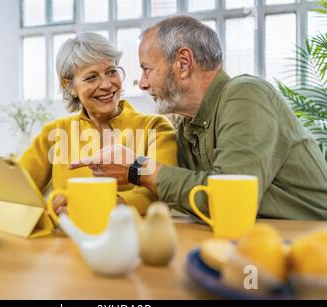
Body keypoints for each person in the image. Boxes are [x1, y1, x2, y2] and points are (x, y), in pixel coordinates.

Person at [71, 16, 327, 220]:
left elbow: (229, 202)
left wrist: (139, 168)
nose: (144, 84)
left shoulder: (246, 94)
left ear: (183, 62)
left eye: (147, 70)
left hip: (310, 247)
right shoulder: (185, 126)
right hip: (253, 245)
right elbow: (171, 185)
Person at [20, 32, 177, 215]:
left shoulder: (155, 128)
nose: (106, 85)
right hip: (70, 237)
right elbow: (18, 189)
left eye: (111, 72)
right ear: (69, 86)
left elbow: (166, 189)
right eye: (91, 77)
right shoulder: (54, 133)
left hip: (133, 237)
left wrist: (106, 204)